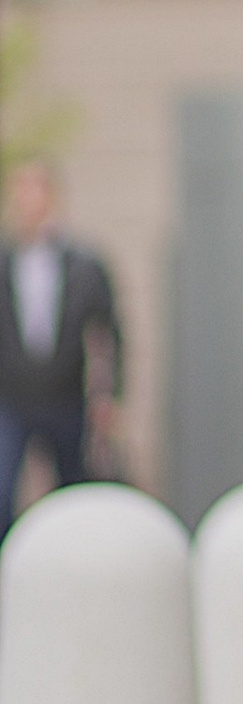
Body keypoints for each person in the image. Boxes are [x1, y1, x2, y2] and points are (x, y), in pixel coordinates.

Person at [0, 158, 122, 525]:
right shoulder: (5, 262)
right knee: (4, 490)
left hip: (66, 397)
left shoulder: (84, 263)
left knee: (73, 493)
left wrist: (110, 395)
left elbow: (110, 330)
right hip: (11, 399)